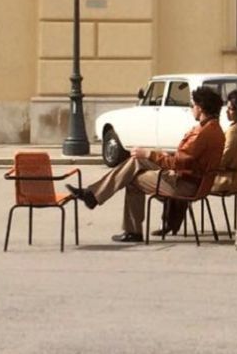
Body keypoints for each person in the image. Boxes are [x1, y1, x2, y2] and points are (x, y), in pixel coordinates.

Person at [67, 86, 225, 243]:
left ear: (200, 107)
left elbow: (178, 162)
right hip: (193, 179)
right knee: (137, 160)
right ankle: (93, 195)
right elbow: (187, 158)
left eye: (192, 106)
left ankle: (132, 230)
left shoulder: (202, 134)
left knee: (132, 179)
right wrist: (151, 155)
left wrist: (150, 154)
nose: (191, 109)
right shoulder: (214, 129)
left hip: (184, 183)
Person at [155, 88, 237, 237]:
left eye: (230, 109)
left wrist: (202, 162)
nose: (227, 113)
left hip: (225, 178)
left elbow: (222, 159)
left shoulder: (235, 131)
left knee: (184, 179)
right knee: (181, 176)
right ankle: (171, 222)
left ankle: (170, 223)